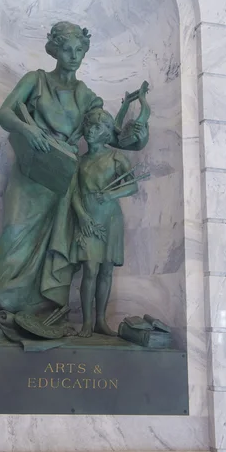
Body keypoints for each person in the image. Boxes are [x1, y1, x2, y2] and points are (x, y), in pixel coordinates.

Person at [0, 22, 148, 322]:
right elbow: (5, 113)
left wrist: (139, 132)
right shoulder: (37, 80)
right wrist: (27, 129)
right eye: (67, 49)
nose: (73, 56)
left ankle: (38, 311)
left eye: (79, 50)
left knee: (53, 248)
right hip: (31, 172)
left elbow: (111, 136)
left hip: (62, 178)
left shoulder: (86, 96)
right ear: (55, 50)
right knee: (14, 232)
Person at [71, 108, 138, 337]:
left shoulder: (116, 157)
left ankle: (101, 320)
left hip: (110, 217)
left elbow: (133, 185)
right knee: (89, 268)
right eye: (88, 126)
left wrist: (110, 195)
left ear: (106, 132)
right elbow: (73, 193)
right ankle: (87, 322)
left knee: (106, 270)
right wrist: (81, 216)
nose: (90, 130)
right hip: (89, 217)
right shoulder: (79, 161)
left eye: (97, 127)